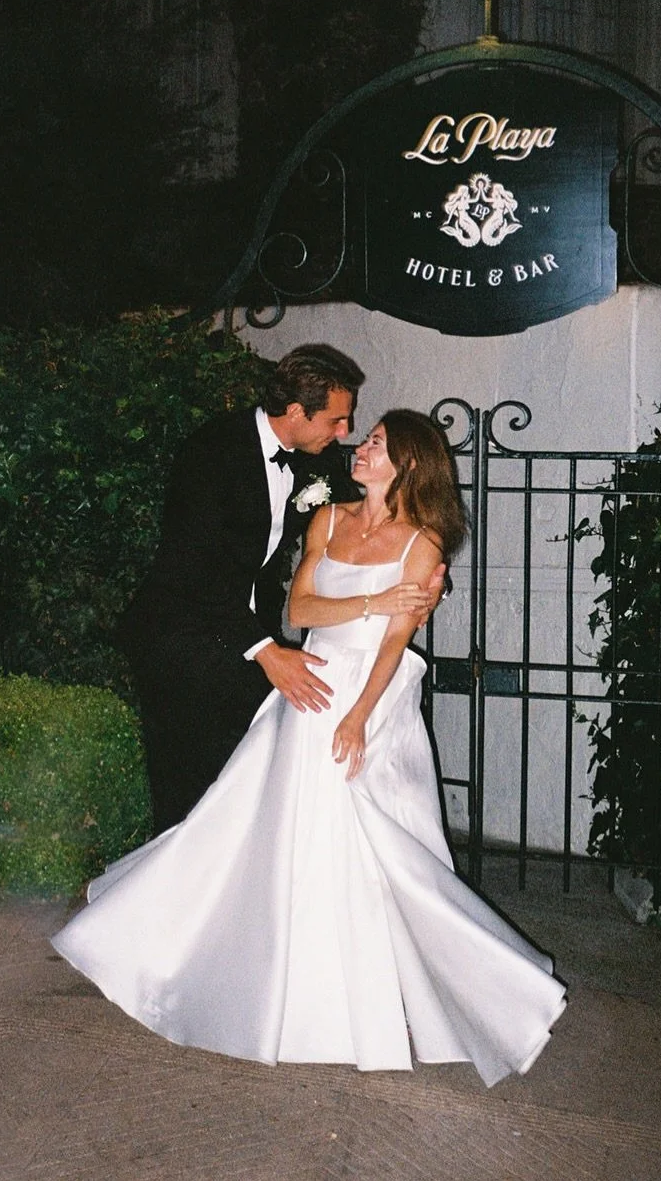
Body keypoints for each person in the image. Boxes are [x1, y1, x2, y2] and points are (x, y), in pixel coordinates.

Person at [54, 409, 566, 1086]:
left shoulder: (425, 545)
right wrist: (373, 598)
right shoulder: (327, 520)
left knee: (386, 852)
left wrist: (358, 716)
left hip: (369, 697)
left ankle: (452, 987)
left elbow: (392, 645)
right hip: (312, 683)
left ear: (408, 462)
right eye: (365, 436)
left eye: (378, 442)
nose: (362, 445)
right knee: (260, 829)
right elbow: (297, 610)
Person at [117, 343, 445, 833]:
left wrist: (428, 587)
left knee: (257, 780)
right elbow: (194, 572)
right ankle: (183, 898)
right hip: (181, 634)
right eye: (336, 420)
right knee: (190, 793)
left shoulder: (320, 461)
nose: (345, 433)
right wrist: (268, 652)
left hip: (248, 635)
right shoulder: (213, 453)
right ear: (296, 411)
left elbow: (395, 512)